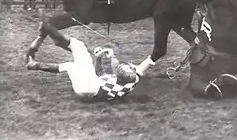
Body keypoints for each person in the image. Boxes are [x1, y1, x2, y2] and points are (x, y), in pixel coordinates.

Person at [26, 10, 155, 101]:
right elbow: (100, 74)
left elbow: (112, 70)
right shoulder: (127, 80)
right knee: (79, 46)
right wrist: (98, 59)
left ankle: (35, 63)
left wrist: (112, 57)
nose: (131, 65)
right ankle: (51, 31)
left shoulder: (125, 78)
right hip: (92, 85)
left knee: (71, 66)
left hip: (88, 89)